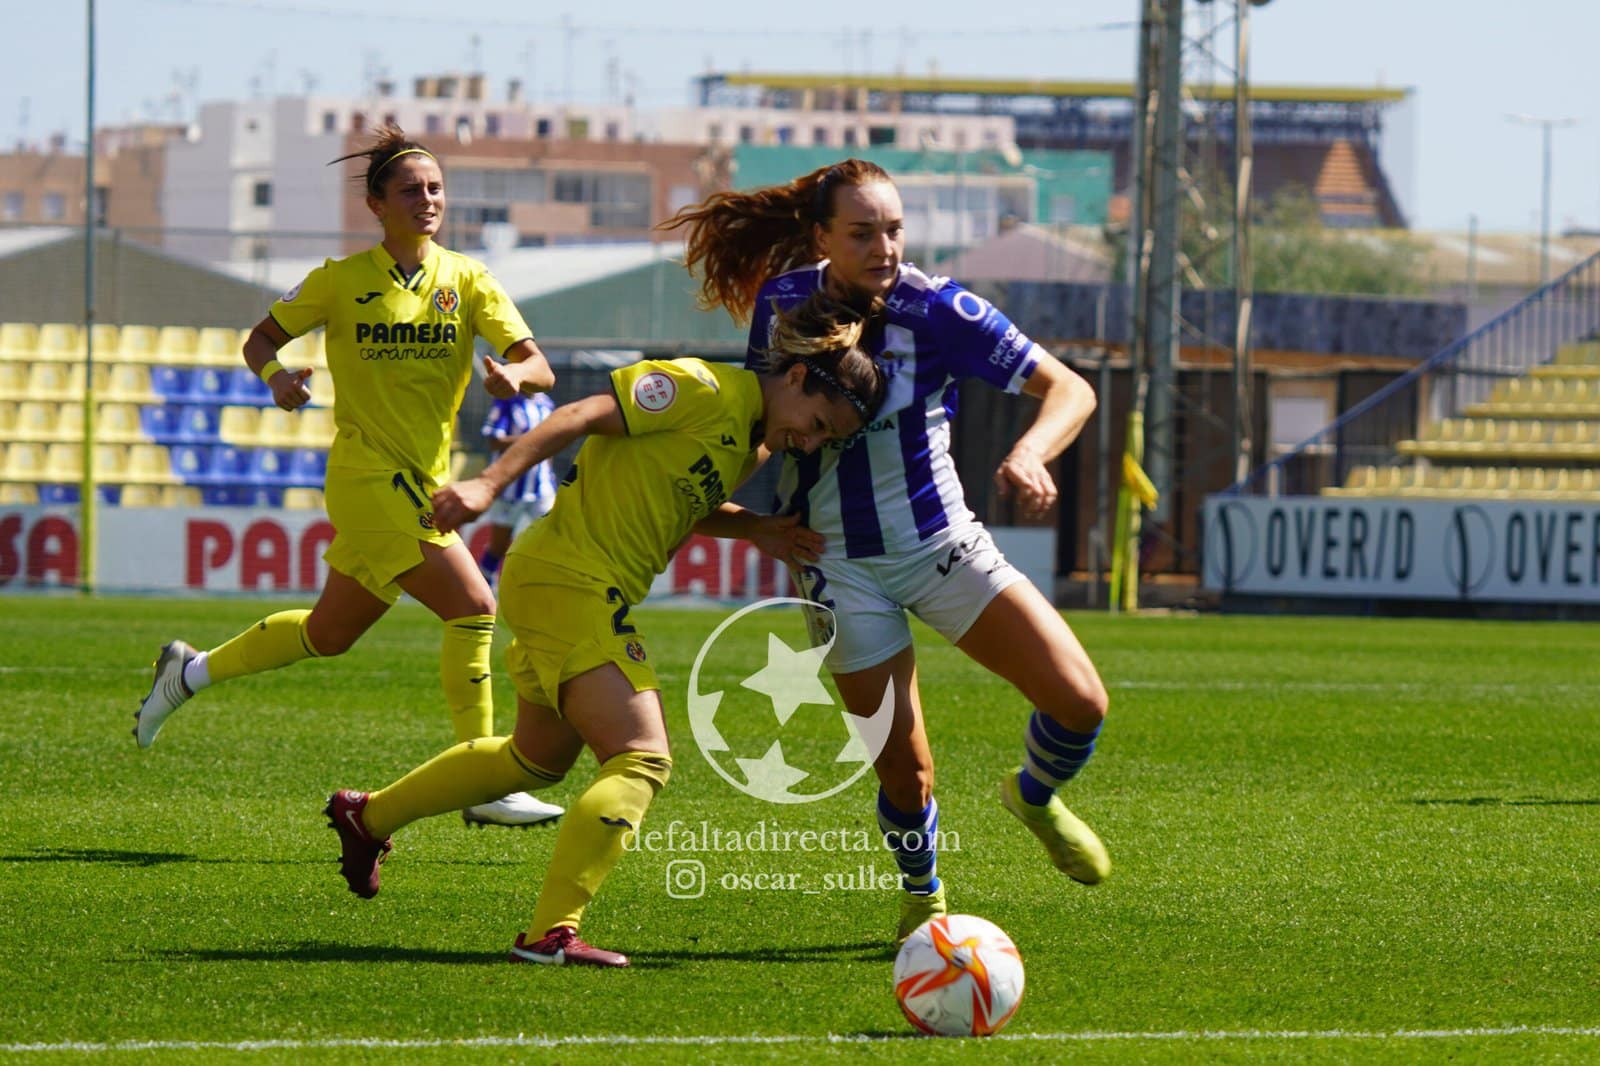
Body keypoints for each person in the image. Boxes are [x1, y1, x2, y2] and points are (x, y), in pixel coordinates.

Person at [322, 291, 885, 968]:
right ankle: (549, 935)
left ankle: (368, 817)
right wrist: (488, 484)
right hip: (570, 578)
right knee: (642, 755)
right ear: (796, 377)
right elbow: (578, 415)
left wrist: (755, 528)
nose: (813, 441)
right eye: (818, 422)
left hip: (571, 582)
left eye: (828, 438)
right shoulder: (702, 388)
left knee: (533, 760)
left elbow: (686, 499)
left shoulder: (752, 446)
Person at [665, 158, 1111, 945]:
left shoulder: (941, 309)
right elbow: (767, 425)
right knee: (905, 770)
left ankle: (1033, 796)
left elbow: (1071, 389)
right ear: (821, 237)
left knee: (1080, 703)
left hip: (941, 544)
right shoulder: (781, 303)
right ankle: (925, 898)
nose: (885, 247)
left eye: (896, 229)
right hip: (834, 563)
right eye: (863, 232)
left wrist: (1033, 453)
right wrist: (718, 508)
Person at [135, 124, 562, 829]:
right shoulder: (340, 281)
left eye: (435, 189)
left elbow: (538, 363)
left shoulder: (468, 279)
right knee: (474, 607)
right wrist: (276, 380)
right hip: (367, 475)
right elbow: (261, 338)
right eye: (410, 190)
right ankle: (484, 777)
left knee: (330, 634)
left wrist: (516, 376)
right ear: (375, 204)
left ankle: (189, 672)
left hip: (422, 480)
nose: (427, 200)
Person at [476, 390, 559, 587]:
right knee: (499, 545)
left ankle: (550, 585)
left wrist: (550, 473)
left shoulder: (546, 403)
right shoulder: (506, 402)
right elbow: (494, 440)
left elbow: (552, 443)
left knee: (554, 538)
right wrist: (534, 438)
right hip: (511, 488)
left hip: (542, 488)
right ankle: (483, 586)